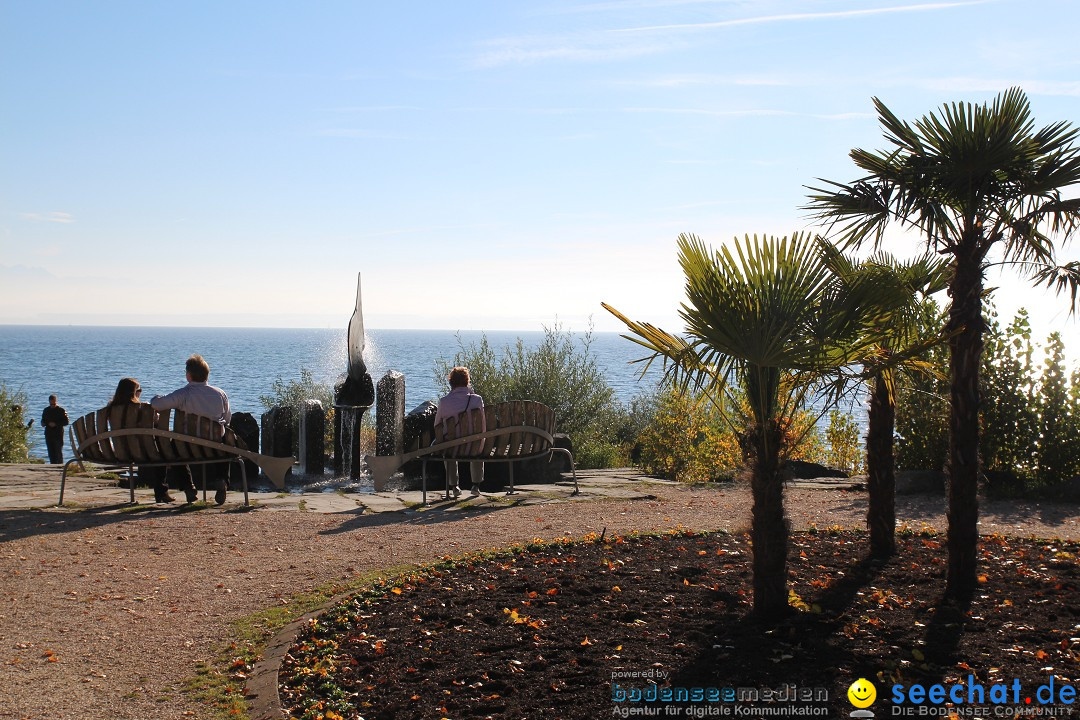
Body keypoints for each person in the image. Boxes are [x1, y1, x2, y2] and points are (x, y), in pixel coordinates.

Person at [150, 354, 232, 505]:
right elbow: (227, 420)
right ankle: (222, 481)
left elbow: (157, 405)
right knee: (224, 444)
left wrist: (155, 398)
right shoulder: (221, 394)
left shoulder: (184, 394)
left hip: (187, 448)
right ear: (207, 375)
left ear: (188, 376)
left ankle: (189, 487)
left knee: (172, 449)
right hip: (214, 448)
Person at [107, 378, 177, 503]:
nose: (141, 392)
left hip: (120, 451)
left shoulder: (110, 409)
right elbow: (156, 423)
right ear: (134, 393)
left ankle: (161, 493)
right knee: (161, 455)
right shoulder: (142, 408)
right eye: (139, 390)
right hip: (141, 452)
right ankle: (161, 493)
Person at [434, 366, 485, 497]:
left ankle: (454, 486)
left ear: (451, 383)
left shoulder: (444, 402)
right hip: (474, 447)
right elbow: (482, 425)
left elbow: (437, 425)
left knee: (447, 445)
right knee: (477, 440)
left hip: (452, 449)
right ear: (467, 381)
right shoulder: (477, 399)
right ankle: (476, 485)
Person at [40, 395, 69, 464]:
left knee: (58, 453)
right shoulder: (46, 410)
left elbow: (66, 422)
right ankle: (52, 466)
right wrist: (43, 423)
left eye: (54, 404)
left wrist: (56, 424)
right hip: (49, 434)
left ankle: (60, 467)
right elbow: (43, 420)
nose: (52, 405)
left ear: (56, 401)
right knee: (51, 453)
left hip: (58, 434)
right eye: (51, 404)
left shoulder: (61, 410)